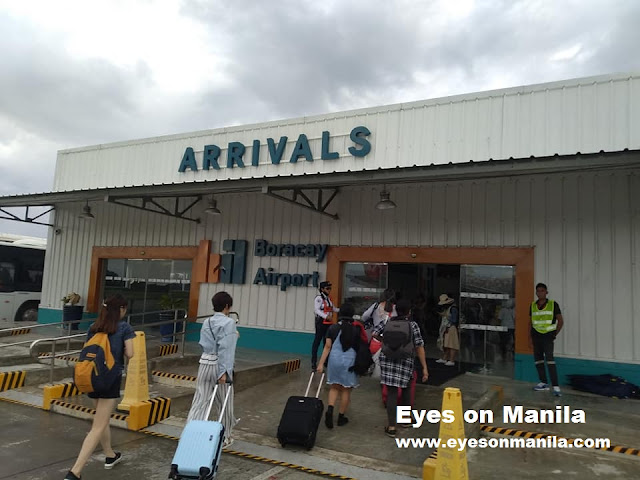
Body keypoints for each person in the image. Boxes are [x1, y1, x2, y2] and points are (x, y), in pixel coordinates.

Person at [64, 294, 135, 480]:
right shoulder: (124, 327)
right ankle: (75, 472)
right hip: (110, 379)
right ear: (120, 310)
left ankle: (110, 455)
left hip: (91, 377)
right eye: (124, 309)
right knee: (98, 426)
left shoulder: (93, 327)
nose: (125, 312)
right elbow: (131, 353)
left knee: (101, 419)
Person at [187, 291, 238, 447]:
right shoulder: (229, 323)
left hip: (204, 362)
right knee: (224, 403)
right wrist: (224, 371)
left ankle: (190, 433)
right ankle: (225, 437)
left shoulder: (207, 322)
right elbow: (225, 349)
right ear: (227, 306)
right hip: (218, 365)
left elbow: (206, 342)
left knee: (200, 400)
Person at [373, 299, 428, 437]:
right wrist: (424, 367)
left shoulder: (387, 321)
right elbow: (419, 346)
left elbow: (374, 334)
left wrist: (385, 341)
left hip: (387, 360)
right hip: (405, 361)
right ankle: (405, 420)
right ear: (409, 311)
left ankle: (391, 427)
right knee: (406, 390)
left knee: (391, 392)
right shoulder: (412, 325)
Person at [316, 303, 362, 429]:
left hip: (334, 360)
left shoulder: (333, 328)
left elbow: (327, 347)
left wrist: (320, 364)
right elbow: (359, 348)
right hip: (349, 361)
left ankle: (330, 410)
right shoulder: (355, 330)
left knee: (334, 387)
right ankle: (341, 418)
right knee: (346, 390)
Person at [530, 283, 564, 397]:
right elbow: (530, 322)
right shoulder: (533, 305)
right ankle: (543, 382)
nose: (540, 293)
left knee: (550, 360)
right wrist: (529, 337)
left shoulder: (553, 304)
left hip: (548, 337)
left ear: (546, 292)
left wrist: (554, 334)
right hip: (536, 336)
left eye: (542, 291)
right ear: (536, 292)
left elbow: (560, 321)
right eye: (538, 291)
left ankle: (556, 386)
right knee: (538, 360)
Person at [311, 281, 339, 371]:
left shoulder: (328, 299)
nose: (329, 290)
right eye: (327, 288)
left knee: (326, 342)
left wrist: (342, 310)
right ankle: (314, 362)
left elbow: (333, 308)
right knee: (317, 342)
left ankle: (325, 362)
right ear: (322, 289)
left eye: (330, 288)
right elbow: (317, 310)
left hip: (328, 324)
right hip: (321, 323)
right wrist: (326, 316)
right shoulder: (319, 298)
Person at [436, 294, 459, 366]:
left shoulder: (453, 309)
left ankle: (452, 360)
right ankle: (444, 358)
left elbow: (454, 320)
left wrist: (446, 316)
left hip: (451, 328)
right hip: (447, 328)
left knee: (452, 344)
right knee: (446, 344)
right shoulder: (448, 309)